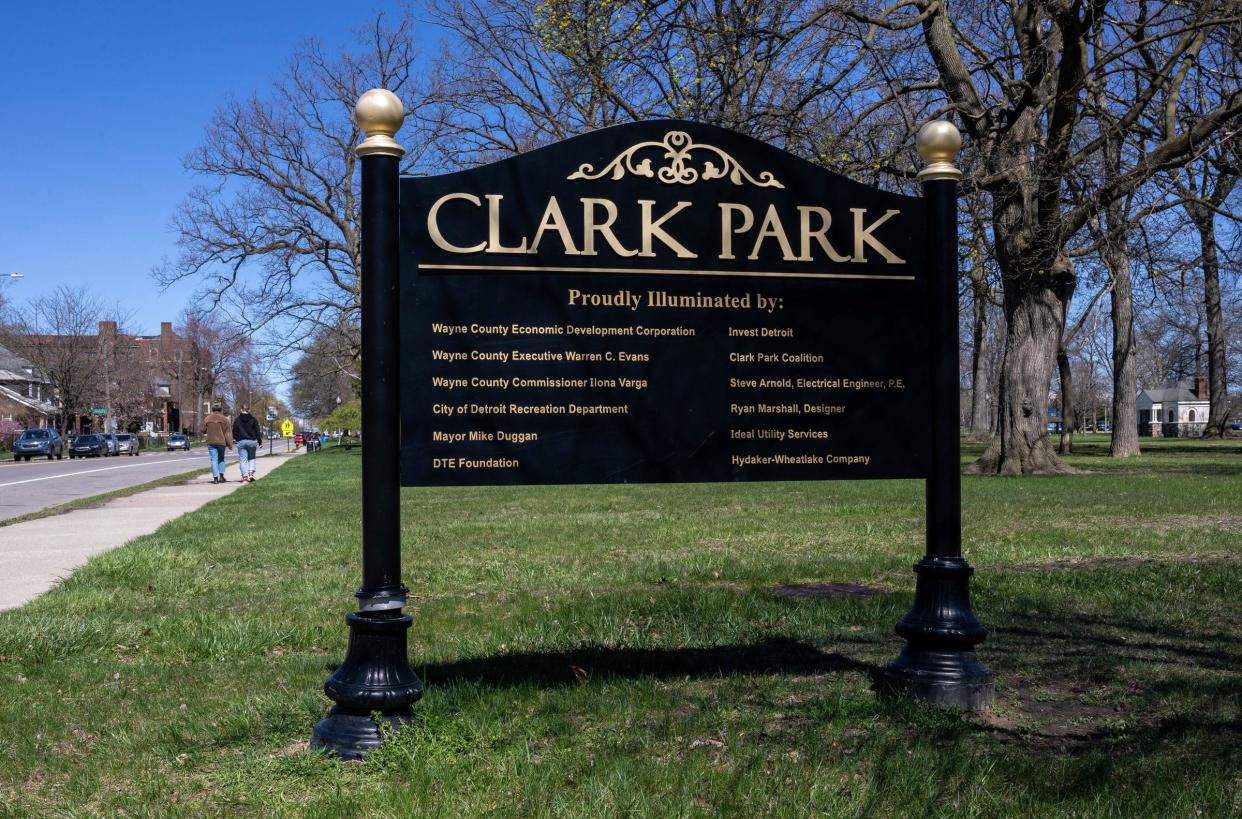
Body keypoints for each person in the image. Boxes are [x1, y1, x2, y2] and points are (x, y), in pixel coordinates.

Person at [203, 403, 233, 484]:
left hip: (211, 442)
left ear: (212, 409)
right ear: (220, 410)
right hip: (221, 442)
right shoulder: (224, 419)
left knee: (214, 459)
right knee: (221, 459)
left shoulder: (207, 418)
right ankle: (222, 476)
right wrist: (230, 444)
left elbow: (203, 430)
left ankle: (215, 478)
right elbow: (227, 433)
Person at [232, 405, 261, 483]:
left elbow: (234, 431)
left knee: (243, 460)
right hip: (252, 441)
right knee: (252, 458)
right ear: (249, 410)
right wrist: (260, 441)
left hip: (241, 441)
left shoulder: (237, 420)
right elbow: (257, 431)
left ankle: (245, 477)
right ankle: (251, 473)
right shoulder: (254, 419)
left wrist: (235, 438)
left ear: (241, 410)